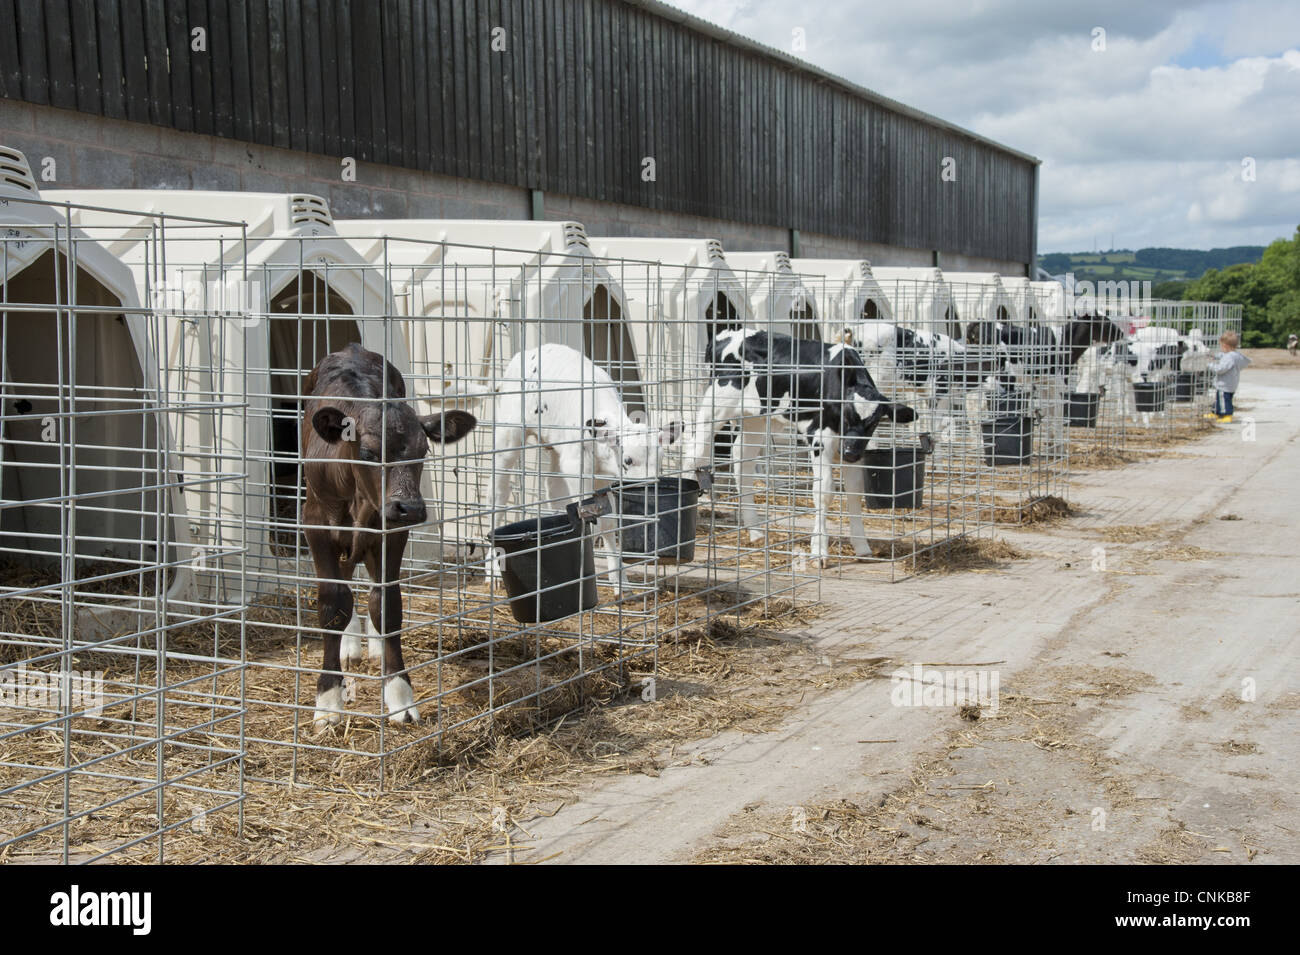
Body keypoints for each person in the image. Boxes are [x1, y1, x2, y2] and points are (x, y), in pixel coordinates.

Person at [1202, 331, 1251, 423]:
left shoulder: (1229, 358)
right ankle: (1215, 412)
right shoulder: (1235, 355)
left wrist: (1209, 365)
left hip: (1224, 384)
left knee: (1224, 401)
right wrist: (1213, 355)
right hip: (1230, 383)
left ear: (1225, 346)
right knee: (1219, 399)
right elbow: (1222, 356)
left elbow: (1221, 369)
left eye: (1221, 345)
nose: (1221, 348)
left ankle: (1227, 415)